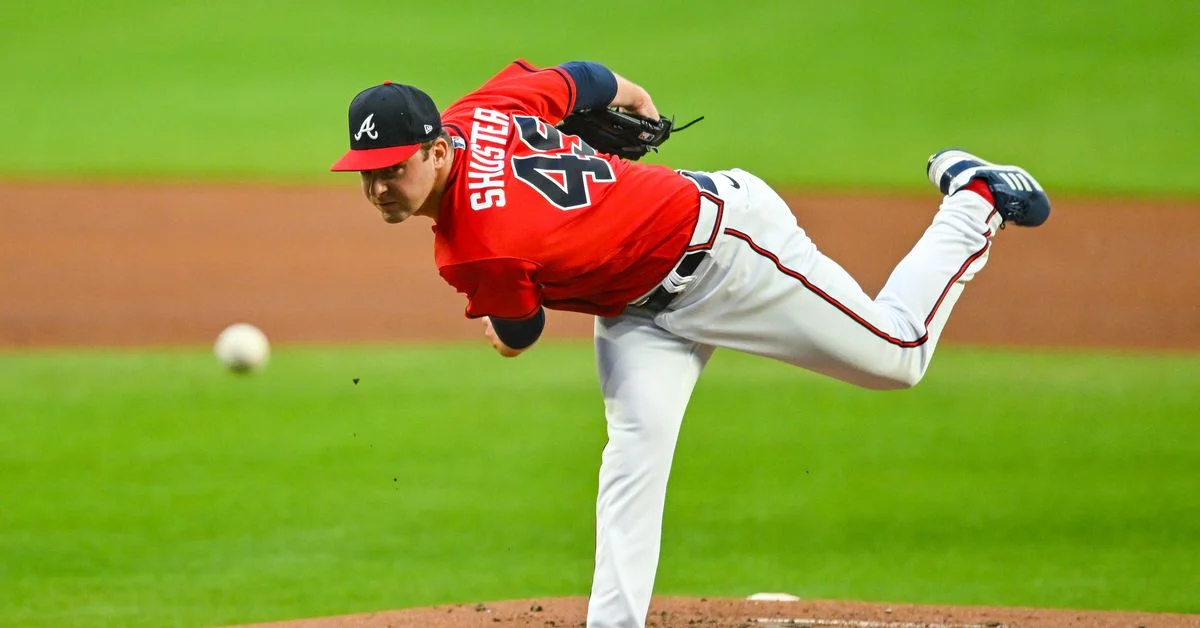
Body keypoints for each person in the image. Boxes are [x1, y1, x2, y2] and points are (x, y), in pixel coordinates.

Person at [329, 59, 1050, 628]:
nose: (382, 191)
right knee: (633, 457)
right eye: (369, 176)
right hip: (640, 308)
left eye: (395, 169)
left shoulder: (473, 252)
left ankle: (973, 199)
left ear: (435, 148)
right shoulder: (480, 110)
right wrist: (636, 97)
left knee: (899, 357)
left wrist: (498, 322)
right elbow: (581, 78)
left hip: (731, 250)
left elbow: (521, 335)